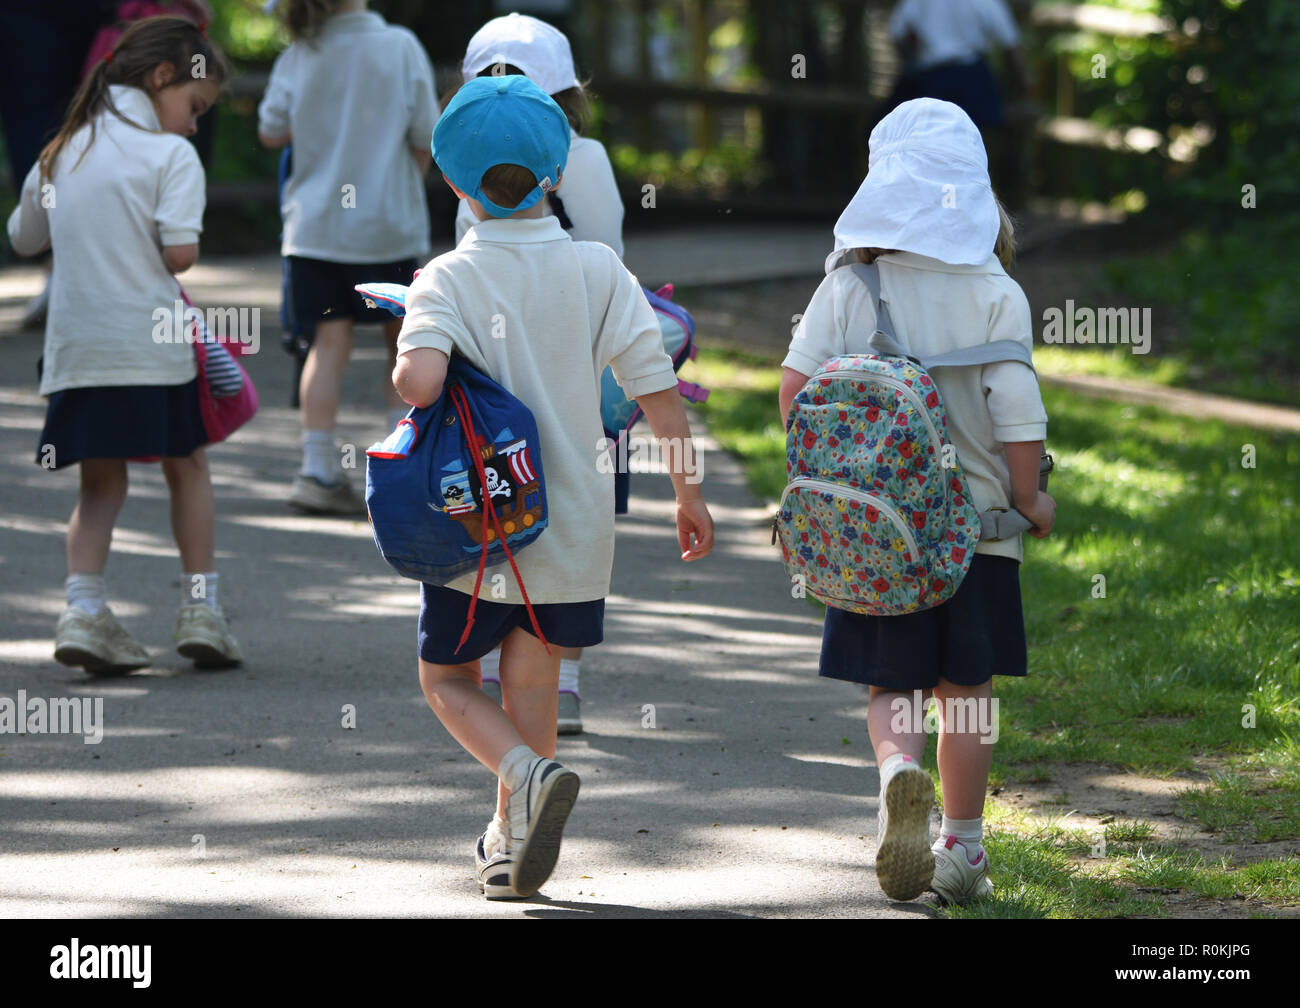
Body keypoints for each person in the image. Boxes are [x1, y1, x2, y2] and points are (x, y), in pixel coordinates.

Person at [393, 75, 714, 899]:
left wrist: (412, 338)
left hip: (480, 526)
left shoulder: (445, 278)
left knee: (448, 680)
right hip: (570, 523)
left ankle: (525, 784)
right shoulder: (597, 269)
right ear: (558, 175)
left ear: (456, 185)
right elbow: (657, 390)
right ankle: (512, 835)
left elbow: (420, 385)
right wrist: (689, 493)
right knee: (531, 681)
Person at [778, 98, 1054, 905]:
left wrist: (841, 478)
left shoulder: (849, 283)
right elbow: (1019, 414)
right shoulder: (996, 290)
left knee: (890, 687)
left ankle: (899, 773)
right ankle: (961, 849)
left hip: (878, 533)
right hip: (976, 537)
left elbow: (796, 395)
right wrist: (1031, 500)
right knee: (966, 695)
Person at [7, 16, 242, 672]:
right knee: (186, 466)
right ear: (163, 76)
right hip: (154, 348)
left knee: (99, 485)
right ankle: (201, 607)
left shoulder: (62, 151)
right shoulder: (170, 157)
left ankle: (82, 610)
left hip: (78, 355)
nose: (195, 126)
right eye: (194, 108)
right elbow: (180, 253)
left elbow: (24, 238)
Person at [453, 11, 626, 734]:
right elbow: (610, 246)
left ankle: (505, 666)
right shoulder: (582, 156)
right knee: (575, 511)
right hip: (576, 367)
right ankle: (561, 679)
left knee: (504, 506)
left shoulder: (476, 154)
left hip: (499, 374)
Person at [257, 0, 438, 515]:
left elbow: (270, 129)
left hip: (316, 230)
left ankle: (316, 468)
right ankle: (397, 465)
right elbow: (427, 133)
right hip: (388, 226)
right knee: (400, 343)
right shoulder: (401, 47)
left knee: (327, 341)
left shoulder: (300, 52)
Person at [880, 0, 1029, 132]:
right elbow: (1010, 43)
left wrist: (911, 60)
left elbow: (897, 32)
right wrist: (1021, 82)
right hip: (972, 78)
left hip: (932, 77)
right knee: (980, 136)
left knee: (926, 136)